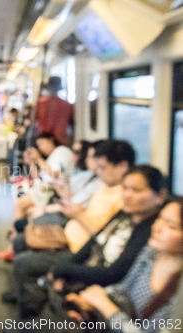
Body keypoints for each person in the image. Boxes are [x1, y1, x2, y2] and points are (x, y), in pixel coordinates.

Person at [11, 166, 167, 319]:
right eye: (125, 188)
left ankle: (31, 321)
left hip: (102, 279)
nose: (127, 195)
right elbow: (95, 240)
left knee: (27, 264)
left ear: (160, 196)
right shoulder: (124, 213)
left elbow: (114, 273)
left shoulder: (149, 231)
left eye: (136, 191)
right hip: (89, 260)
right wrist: (66, 266)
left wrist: (64, 270)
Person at [65, 199, 183, 333]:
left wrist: (106, 308)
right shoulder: (151, 253)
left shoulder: (178, 294)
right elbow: (123, 289)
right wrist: (91, 303)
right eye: (160, 219)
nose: (157, 228)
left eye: (171, 226)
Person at [35, 76, 74, 146]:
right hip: (61, 139)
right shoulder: (67, 105)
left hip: (44, 140)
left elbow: (36, 120)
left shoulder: (41, 103)